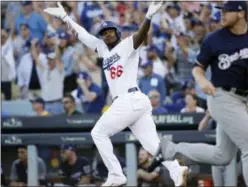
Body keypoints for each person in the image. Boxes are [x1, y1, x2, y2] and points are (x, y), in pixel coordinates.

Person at [44, 2, 188, 187]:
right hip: (134, 102)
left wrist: (149, 16)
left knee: (98, 133)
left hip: (129, 99)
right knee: (152, 145)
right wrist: (65, 17)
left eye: (110, 31)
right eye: (104, 33)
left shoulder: (127, 44)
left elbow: (141, 35)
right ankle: (177, 170)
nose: (107, 34)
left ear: (117, 32)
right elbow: (83, 36)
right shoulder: (103, 50)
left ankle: (116, 173)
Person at [147, 2, 248, 186]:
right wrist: (203, 81)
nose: (221, 15)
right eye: (220, 11)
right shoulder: (214, 39)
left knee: (222, 155)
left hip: (241, 99)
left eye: (226, 11)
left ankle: (170, 150)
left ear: (240, 13)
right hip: (221, 96)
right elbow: (197, 68)